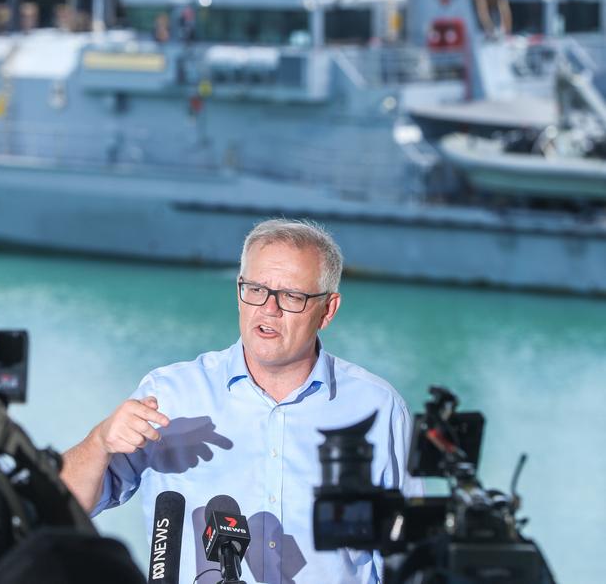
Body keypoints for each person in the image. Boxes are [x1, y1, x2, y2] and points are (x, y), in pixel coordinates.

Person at [61, 219, 419, 583]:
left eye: (291, 296)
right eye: (256, 289)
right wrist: (99, 441)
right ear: (238, 291)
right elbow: (60, 508)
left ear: (328, 310)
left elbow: (410, 554)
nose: (269, 308)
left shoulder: (378, 408)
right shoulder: (169, 394)